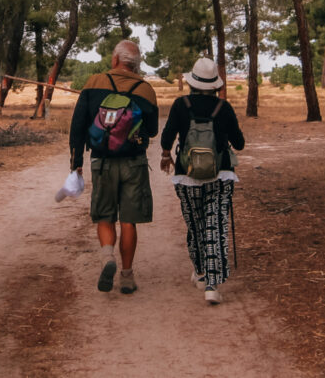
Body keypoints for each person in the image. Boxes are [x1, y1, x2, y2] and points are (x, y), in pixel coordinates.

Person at [69, 39, 159, 294]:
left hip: (102, 161)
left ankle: (108, 256)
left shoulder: (93, 83)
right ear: (135, 64)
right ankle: (127, 277)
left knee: (105, 216)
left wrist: (76, 163)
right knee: (129, 220)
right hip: (134, 163)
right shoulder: (146, 89)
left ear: (115, 60)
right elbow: (151, 130)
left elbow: (78, 126)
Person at [160, 57, 245, 305]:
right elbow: (239, 143)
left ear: (192, 82)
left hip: (187, 176)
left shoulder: (180, 105)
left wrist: (166, 155)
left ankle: (199, 272)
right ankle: (212, 284)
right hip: (221, 175)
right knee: (215, 225)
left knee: (195, 224)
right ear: (215, 86)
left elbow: (167, 138)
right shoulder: (224, 108)